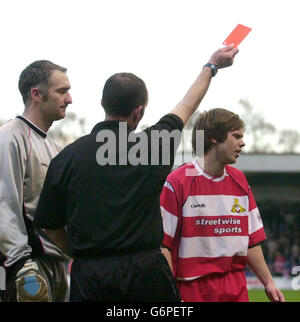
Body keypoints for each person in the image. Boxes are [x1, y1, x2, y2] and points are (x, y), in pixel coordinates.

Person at [33, 45, 239, 302]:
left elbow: (49, 224)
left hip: (90, 275)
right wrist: (212, 65)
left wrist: (76, 253)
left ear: (102, 104)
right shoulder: (153, 146)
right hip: (146, 273)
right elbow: (188, 104)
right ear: (138, 111)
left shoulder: (66, 157)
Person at [160, 108, 285, 302]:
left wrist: (268, 281)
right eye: (236, 136)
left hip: (236, 287)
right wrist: (170, 293)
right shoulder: (179, 180)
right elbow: (163, 246)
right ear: (213, 138)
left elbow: (251, 240)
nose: (242, 143)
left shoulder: (240, 180)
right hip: (192, 290)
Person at [0, 60, 72, 302]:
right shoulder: (9, 138)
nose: (69, 99)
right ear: (36, 94)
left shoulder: (53, 147)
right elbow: (4, 205)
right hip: (22, 266)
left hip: (54, 263)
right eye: (61, 91)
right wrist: (22, 263)